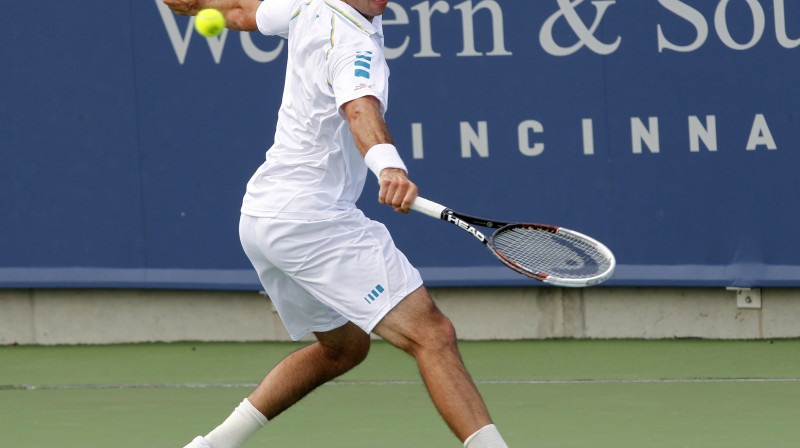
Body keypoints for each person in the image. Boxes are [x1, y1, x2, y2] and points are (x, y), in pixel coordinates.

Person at [163, 0, 509, 447]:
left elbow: (236, 10)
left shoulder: (306, 3)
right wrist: (390, 168)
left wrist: (194, 5)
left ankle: (212, 445)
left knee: (344, 348)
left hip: (263, 216)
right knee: (432, 334)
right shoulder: (351, 41)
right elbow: (360, 109)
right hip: (311, 219)